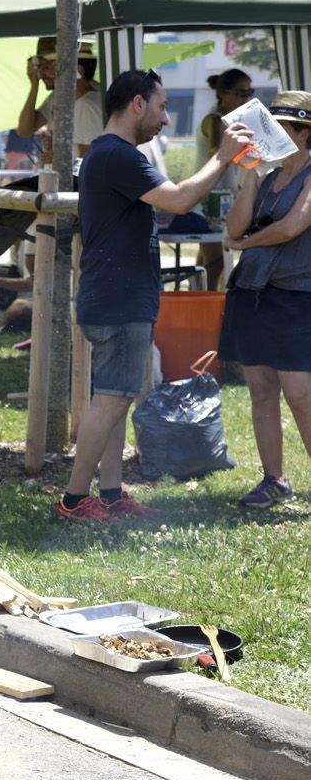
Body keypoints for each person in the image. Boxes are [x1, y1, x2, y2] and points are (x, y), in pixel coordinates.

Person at [57, 69, 252, 522]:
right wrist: (223, 157)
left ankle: (109, 495)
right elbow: (180, 199)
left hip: (115, 295)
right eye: (162, 107)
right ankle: (73, 501)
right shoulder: (117, 155)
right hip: (118, 299)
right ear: (137, 104)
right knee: (109, 400)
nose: (166, 120)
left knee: (115, 397)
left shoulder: (108, 155)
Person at [218, 92, 311, 509]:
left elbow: (291, 227)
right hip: (254, 293)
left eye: (280, 129)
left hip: (298, 297)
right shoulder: (268, 177)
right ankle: (274, 479)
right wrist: (251, 177)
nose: (268, 136)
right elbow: (231, 231)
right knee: (260, 388)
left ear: (304, 133)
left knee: (300, 393)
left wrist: (248, 241)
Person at [194, 68, 255, 289]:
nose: (247, 99)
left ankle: (200, 307)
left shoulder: (228, 120)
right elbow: (218, 157)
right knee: (213, 267)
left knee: (206, 265)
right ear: (225, 94)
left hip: (219, 196)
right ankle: (205, 313)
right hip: (211, 200)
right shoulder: (216, 120)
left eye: (250, 93)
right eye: (241, 93)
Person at [17, 38, 102, 165]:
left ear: (77, 70)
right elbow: (24, 130)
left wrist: (58, 154)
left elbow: (98, 151)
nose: (41, 73)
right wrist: (34, 85)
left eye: (48, 66)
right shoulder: (59, 97)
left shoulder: (88, 103)